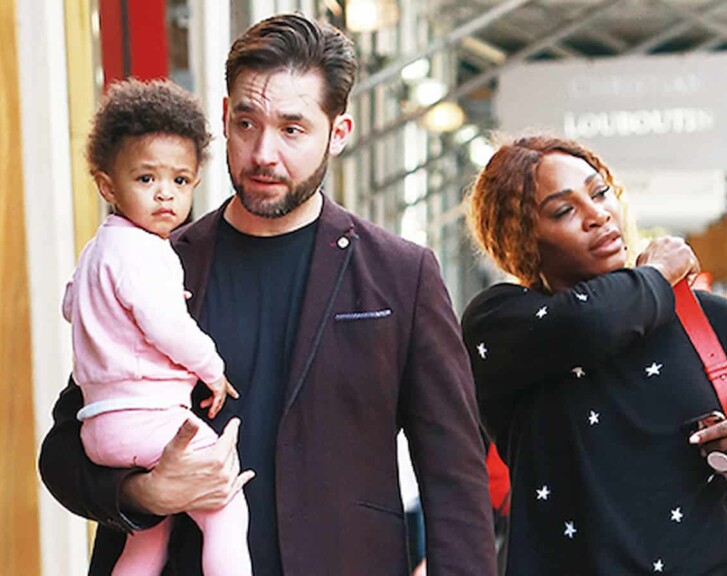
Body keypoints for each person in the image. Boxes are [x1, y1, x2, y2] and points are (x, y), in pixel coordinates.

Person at [38, 13, 496, 576]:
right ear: (225, 118)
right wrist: (148, 493)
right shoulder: (155, 263)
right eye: (247, 124)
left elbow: (454, 471)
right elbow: (63, 449)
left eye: (293, 129)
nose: (263, 154)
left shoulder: (402, 275)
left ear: (339, 132)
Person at [461, 134, 727, 575]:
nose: (598, 215)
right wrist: (659, 272)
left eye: (600, 192)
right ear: (520, 239)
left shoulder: (702, 319)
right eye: (564, 210)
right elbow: (591, 322)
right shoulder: (502, 324)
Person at [61, 78, 250, 576]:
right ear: (108, 186)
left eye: (180, 181)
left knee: (148, 535)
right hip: (148, 419)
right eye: (146, 180)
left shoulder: (99, 249)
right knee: (225, 501)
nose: (165, 194)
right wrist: (212, 368)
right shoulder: (144, 251)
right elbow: (168, 328)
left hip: (102, 426)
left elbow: (70, 305)